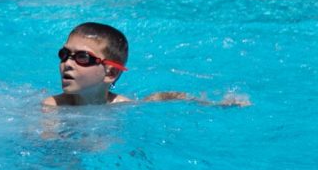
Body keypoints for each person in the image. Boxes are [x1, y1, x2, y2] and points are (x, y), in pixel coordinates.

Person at [43, 22, 248, 108]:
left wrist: (213, 104)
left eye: (82, 57)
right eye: (64, 55)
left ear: (110, 72)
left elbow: (158, 97)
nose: (67, 64)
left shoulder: (121, 106)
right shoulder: (53, 107)